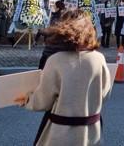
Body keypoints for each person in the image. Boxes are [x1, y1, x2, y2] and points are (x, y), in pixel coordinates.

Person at [14, 10, 112, 146]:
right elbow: (105, 95)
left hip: (61, 133)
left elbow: (43, 101)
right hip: (91, 132)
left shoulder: (55, 61)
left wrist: (27, 99)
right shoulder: (99, 59)